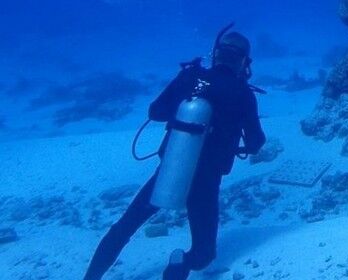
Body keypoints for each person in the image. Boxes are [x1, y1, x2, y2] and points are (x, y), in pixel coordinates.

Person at [83, 30, 266, 280]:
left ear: (215, 54)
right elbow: (256, 142)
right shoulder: (243, 93)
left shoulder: (191, 75)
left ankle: (90, 277)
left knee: (124, 227)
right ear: (244, 62)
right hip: (206, 181)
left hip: (170, 169)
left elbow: (156, 111)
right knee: (203, 255)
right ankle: (179, 263)